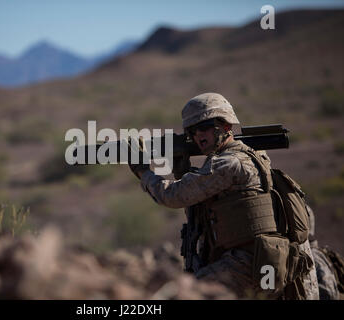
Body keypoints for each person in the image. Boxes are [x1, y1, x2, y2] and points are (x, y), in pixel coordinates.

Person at [128, 92, 319, 299]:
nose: (198, 135)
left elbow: (172, 196)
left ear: (226, 126)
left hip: (246, 263)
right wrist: (182, 172)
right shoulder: (252, 155)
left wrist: (143, 172)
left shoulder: (227, 163)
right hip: (265, 260)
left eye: (204, 127)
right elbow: (200, 202)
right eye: (192, 131)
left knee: (182, 294)